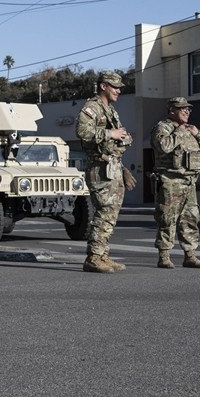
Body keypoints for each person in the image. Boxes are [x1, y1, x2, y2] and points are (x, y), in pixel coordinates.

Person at [76, 71, 133, 273]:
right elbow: (82, 132)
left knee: (111, 214)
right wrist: (111, 133)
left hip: (113, 167)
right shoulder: (92, 107)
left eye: (119, 88)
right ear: (103, 86)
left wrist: (123, 139)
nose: (118, 90)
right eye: (114, 86)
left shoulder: (111, 110)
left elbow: (116, 138)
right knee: (104, 211)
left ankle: (102, 255)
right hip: (99, 168)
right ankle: (93, 257)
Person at [150, 97, 200, 269]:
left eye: (188, 110)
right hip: (170, 181)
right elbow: (163, 146)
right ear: (172, 110)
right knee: (167, 218)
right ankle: (164, 256)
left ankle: (190, 255)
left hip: (189, 182)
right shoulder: (162, 128)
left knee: (190, 219)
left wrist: (197, 133)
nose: (186, 112)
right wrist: (179, 131)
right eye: (182, 109)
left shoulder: (191, 129)